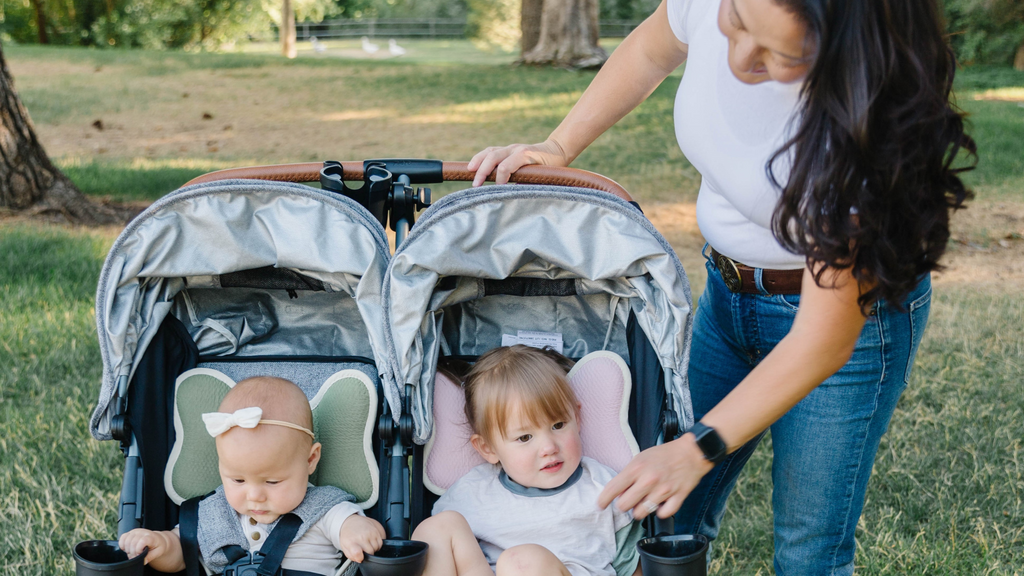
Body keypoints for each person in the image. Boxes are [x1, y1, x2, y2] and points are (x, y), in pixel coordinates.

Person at [468, 0, 973, 573]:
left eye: (779, 55)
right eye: (734, 24)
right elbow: (652, 47)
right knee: (664, 520)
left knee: (809, 553)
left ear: (843, 50)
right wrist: (559, 147)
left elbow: (821, 343)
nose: (739, 59)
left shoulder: (868, 136)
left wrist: (698, 449)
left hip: (838, 335)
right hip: (728, 297)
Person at [118, 376, 385, 574]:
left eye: (272, 481)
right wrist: (161, 544)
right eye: (237, 480)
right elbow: (181, 553)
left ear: (311, 459)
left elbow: (349, 526)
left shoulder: (326, 509)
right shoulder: (213, 512)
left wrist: (357, 530)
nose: (255, 495)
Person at [412, 345, 639, 576]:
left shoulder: (603, 487)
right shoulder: (472, 494)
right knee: (438, 527)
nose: (549, 447)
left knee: (522, 563)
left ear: (577, 418)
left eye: (558, 425)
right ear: (488, 448)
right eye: (525, 437)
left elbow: (632, 564)